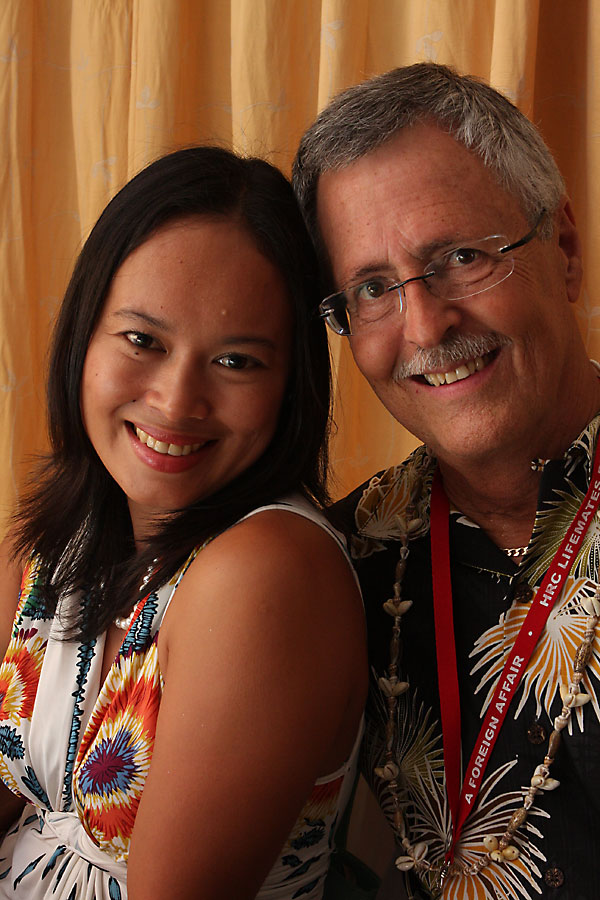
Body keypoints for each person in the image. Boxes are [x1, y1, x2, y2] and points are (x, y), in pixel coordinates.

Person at [0, 146, 367, 900]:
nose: (175, 401)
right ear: (84, 334)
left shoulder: (266, 570)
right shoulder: (54, 539)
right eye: (143, 341)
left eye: (236, 362)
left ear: (290, 385)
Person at [292, 63, 600, 899]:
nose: (425, 327)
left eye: (461, 257)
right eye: (373, 289)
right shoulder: (332, 568)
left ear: (564, 251)